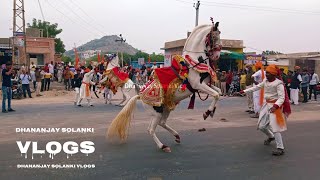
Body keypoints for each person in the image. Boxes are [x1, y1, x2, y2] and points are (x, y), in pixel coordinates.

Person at [240, 64, 291, 156]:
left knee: (275, 128)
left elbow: (281, 98)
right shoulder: (265, 81)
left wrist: (275, 106)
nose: (266, 74)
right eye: (266, 72)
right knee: (261, 126)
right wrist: (243, 91)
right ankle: (271, 137)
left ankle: (280, 148)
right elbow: (257, 87)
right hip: (266, 105)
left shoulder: (278, 83)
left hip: (275, 107)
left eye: (268, 73)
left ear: (274, 74)